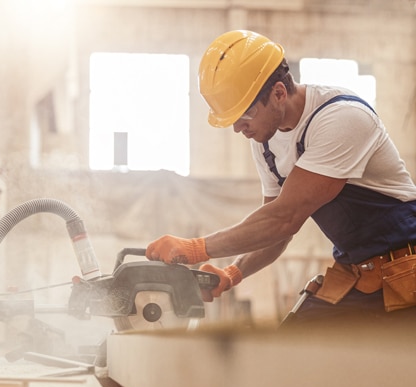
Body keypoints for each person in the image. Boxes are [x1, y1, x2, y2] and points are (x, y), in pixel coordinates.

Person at [145, 29, 416, 324]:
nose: (238, 129)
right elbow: (275, 229)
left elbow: (284, 218)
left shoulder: (342, 119)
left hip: (406, 272)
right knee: (287, 356)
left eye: (245, 115)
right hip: (358, 274)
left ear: (278, 93)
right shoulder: (264, 142)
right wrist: (232, 273)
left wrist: (196, 248)